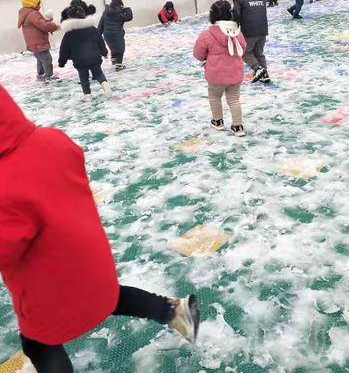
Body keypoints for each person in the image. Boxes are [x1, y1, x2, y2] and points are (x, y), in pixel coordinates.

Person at [0, 84, 200, 373]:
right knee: (107, 296)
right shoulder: (52, 139)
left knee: (38, 343)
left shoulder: (5, 186)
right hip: (90, 258)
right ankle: (174, 311)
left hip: (47, 283)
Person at [193, 0, 247, 137]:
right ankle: (238, 126)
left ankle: (218, 122)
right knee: (234, 99)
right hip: (235, 73)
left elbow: (198, 54)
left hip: (216, 75)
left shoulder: (207, 34)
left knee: (215, 97)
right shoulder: (237, 31)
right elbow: (243, 47)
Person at [59, 6, 112, 102]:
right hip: (94, 57)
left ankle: (87, 95)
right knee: (98, 73)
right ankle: (104, 83)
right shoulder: (92, 29)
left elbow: (64, 48)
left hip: (80, 60)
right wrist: (104, 52)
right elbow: (100, 41)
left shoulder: (69, 33)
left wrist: (62, 62)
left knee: (83, 77)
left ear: (70, 17)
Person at [229, 0, 270, 84]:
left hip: (249, 32)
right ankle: (264, 74)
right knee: (259, 53)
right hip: (262, 31)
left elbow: (236, 15)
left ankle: (258, 69)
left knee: (245, 53)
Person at [17, 0, 60, 82]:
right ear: (31, 4)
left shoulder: (26, 13)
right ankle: (49, 76)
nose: (39, 6)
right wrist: (55, 26)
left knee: (40, 59)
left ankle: (41, 74)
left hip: (34, 43)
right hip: (39, 43)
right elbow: (43, 25)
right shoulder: (33, 14)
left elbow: (39, 23)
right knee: (47, 59)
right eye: (37, 4)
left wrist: (48, 20)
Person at [98, 0, 133, 71]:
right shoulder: (119, 13)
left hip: (107, 34)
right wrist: (127, 9)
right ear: (120, 5)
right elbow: (129, 17)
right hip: (117, 34)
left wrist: (98, 34)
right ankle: (119, 66)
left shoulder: (106, 12)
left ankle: (114, 61)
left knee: (113, 47)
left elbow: (101, 24)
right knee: (120, 49)